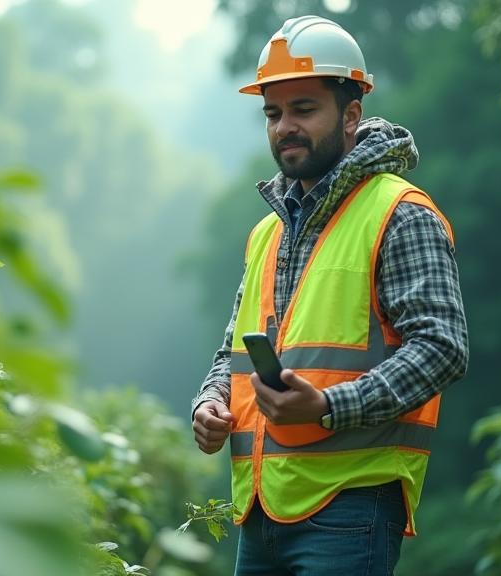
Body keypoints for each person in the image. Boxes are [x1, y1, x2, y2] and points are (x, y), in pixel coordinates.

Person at [190, 15, 469, 576]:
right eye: (273, 113)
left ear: (351, 115)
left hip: (352, 507)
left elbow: (442, 347)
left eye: (303, 109)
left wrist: (328, 407)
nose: (284, 127)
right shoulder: (267, 232)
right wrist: (211, 402)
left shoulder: (400, 213)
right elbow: (233, 352)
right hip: (261, 511)